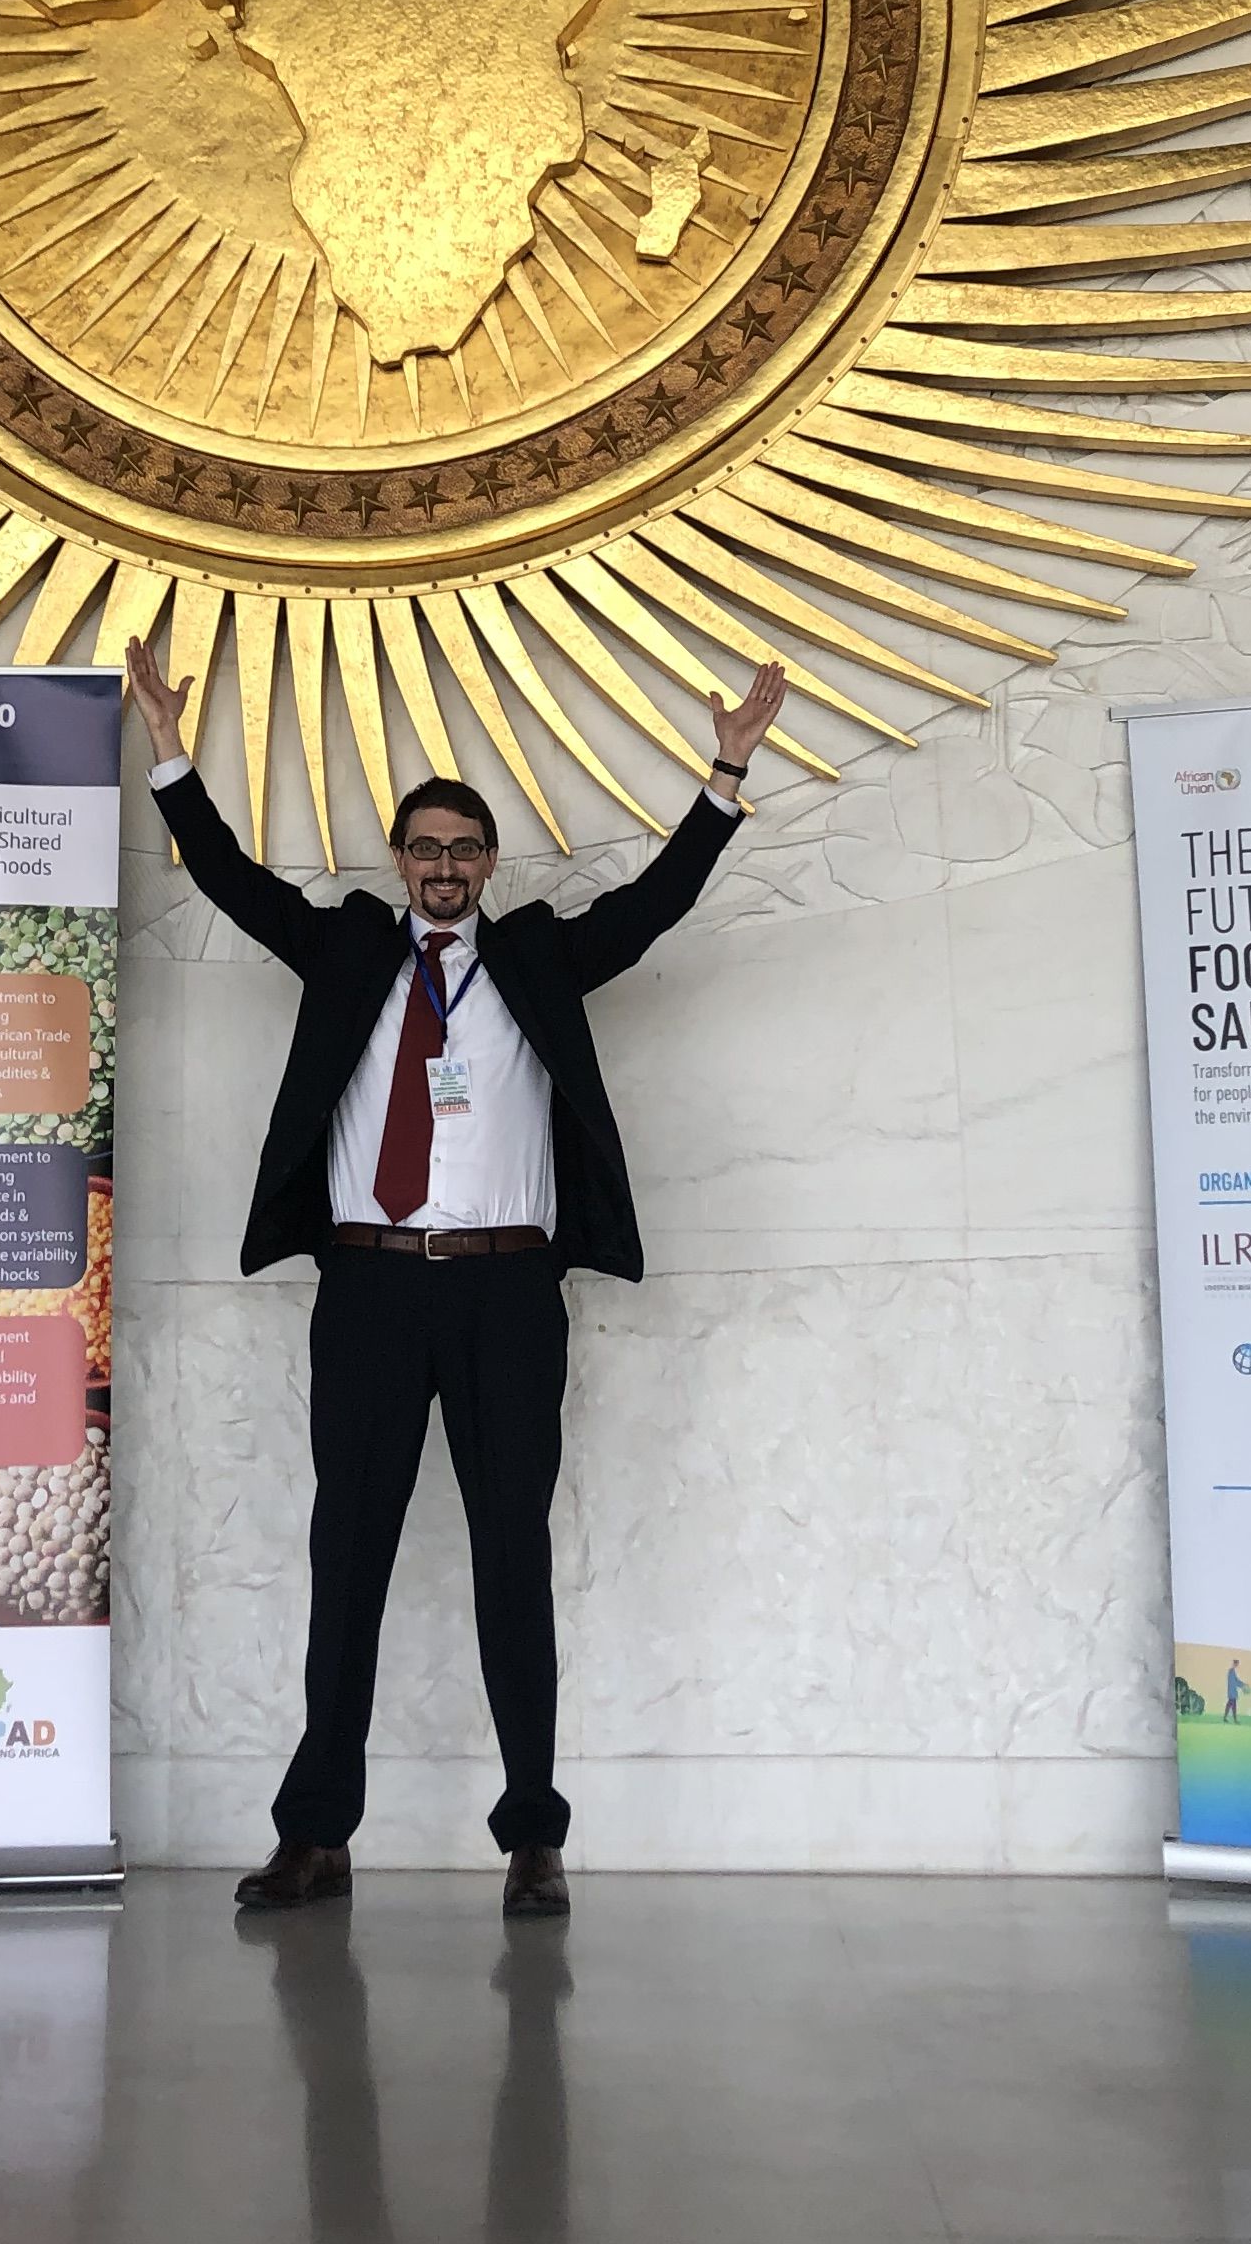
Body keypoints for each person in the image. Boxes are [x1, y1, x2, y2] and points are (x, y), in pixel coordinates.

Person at [124, 634, 788, 1925]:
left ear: (488, 867)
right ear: (401, 862)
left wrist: (726, 771)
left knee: (510, 1561)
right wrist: (167, 753)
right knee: (348, 1560)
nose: (442, 868)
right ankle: (315, 1837)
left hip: (506, 1297)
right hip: (370, 1292)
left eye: (462, 851)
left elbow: (654, 907)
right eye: (423, 849)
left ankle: (532, 1839)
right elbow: (230, 881)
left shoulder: (536, 958)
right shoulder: (349, 953)